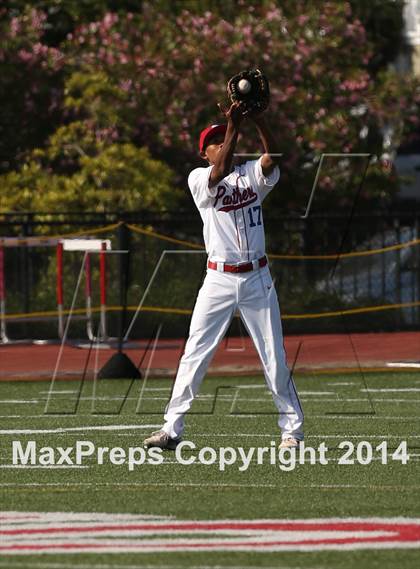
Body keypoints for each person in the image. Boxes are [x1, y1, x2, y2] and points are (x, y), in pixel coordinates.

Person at [144, 101, 304, 450]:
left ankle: (291, 430)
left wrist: (258, 120)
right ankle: (172, 429)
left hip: (257, 279)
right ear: (204, 153)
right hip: (218, 278)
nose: (222, 143)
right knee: (195, 353)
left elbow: (274, 155)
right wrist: (233, 124)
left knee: (273, 356)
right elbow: (219, 172)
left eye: (224, 137)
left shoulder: (250, 174)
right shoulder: (199, 178)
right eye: (214, 142)